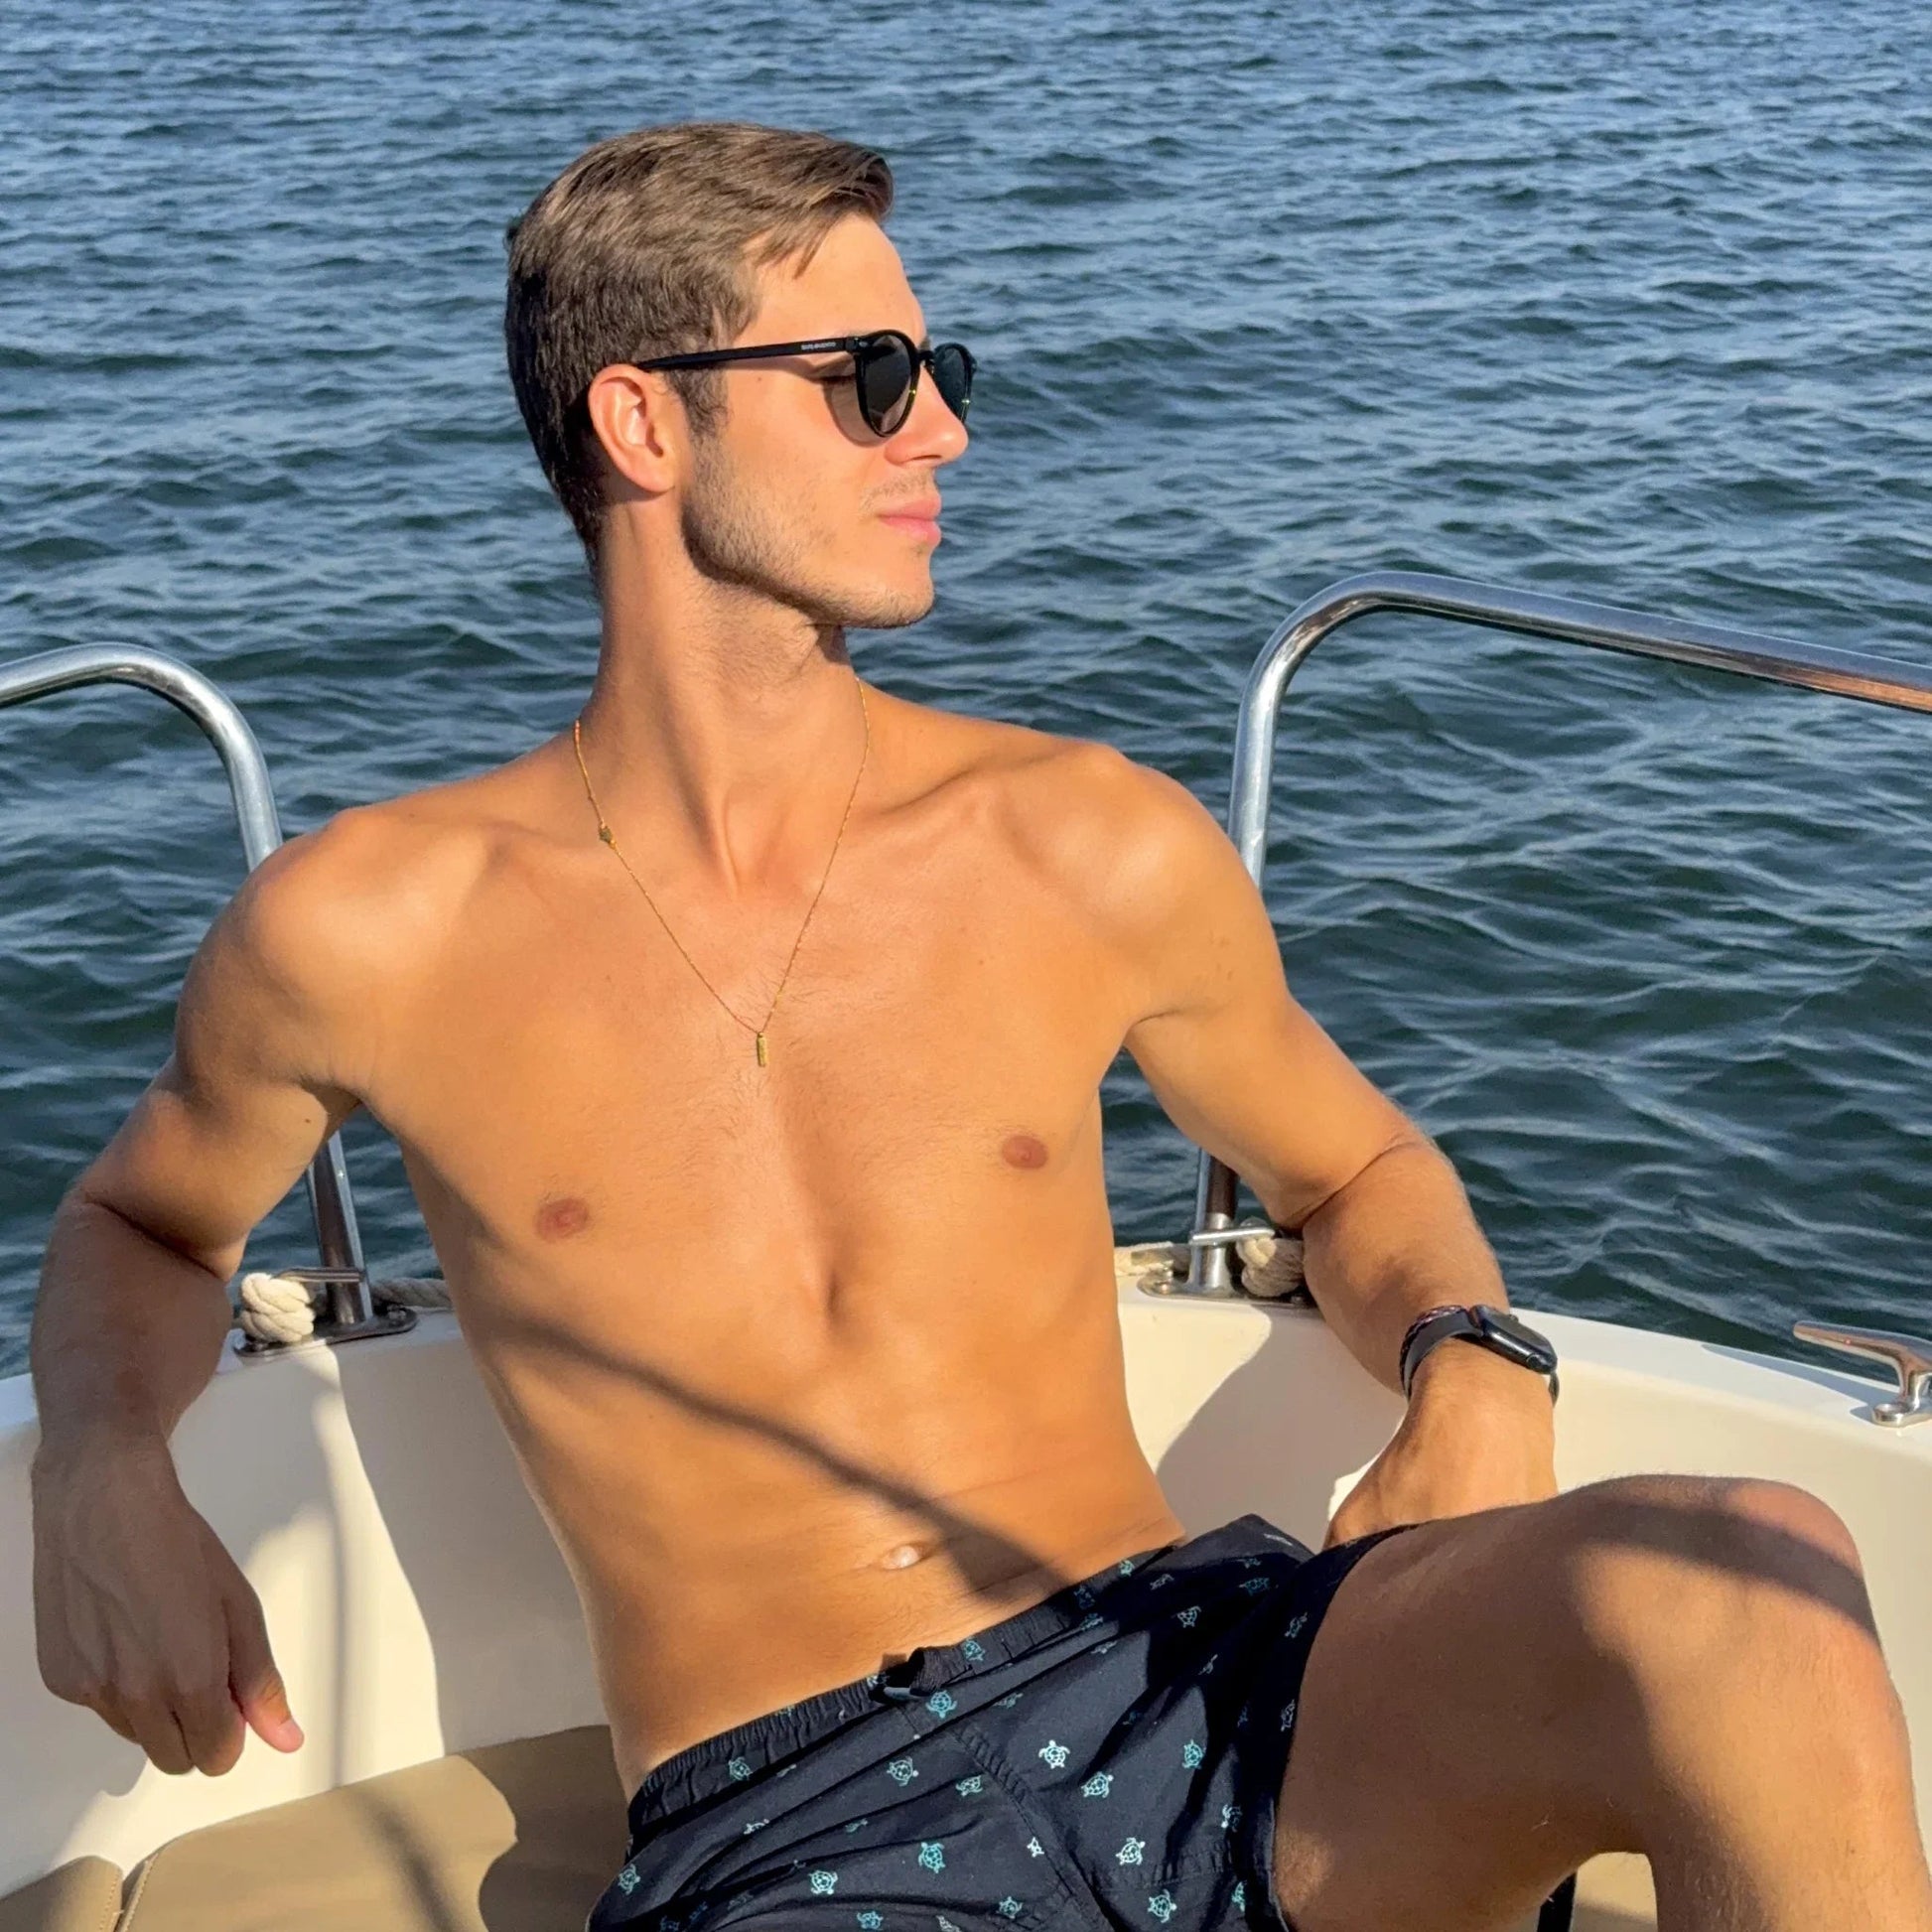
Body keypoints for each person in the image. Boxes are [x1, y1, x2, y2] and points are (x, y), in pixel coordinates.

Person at [28, 120, 1932, 1932]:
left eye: (937, 370)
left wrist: (1472, 1362)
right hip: (789, 1806)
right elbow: (146, 1223)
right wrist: (102, 1465)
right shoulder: (372, 925)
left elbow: (1353, 1166)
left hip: (1196, 1656)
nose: (938, 425)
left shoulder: (1081, 840)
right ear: (641, 421)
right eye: (866, 377)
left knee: (1751, 1580)